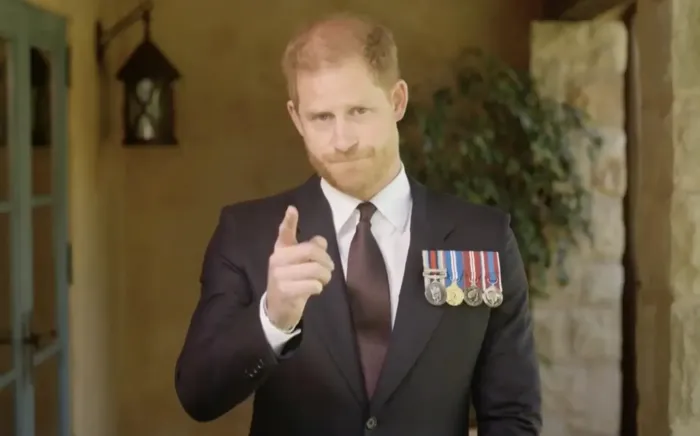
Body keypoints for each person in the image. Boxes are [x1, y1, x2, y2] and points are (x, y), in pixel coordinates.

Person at [174, 12, 541, 436]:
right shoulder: (247, 235)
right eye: (321, 118)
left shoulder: (483, 239)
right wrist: (273, 319)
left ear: (397, 101)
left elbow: (513, 415)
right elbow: (198, 396)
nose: (342, 141)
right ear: (296, 118)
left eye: (358, 111)